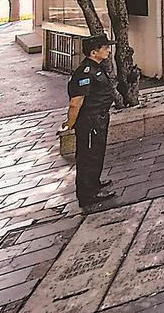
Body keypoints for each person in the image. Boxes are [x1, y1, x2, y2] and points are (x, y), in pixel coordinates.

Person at [63, 34, 117, 211]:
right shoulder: (84, 73)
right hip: (89, 121)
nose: (108, 51)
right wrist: (70, 124)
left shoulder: (96, 68)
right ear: (94, 52)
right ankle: (87, 195)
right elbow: (75, 103)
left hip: (98, 118)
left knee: (96, 153)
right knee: (88, 157)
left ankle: (94, 183)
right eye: (105, 48)